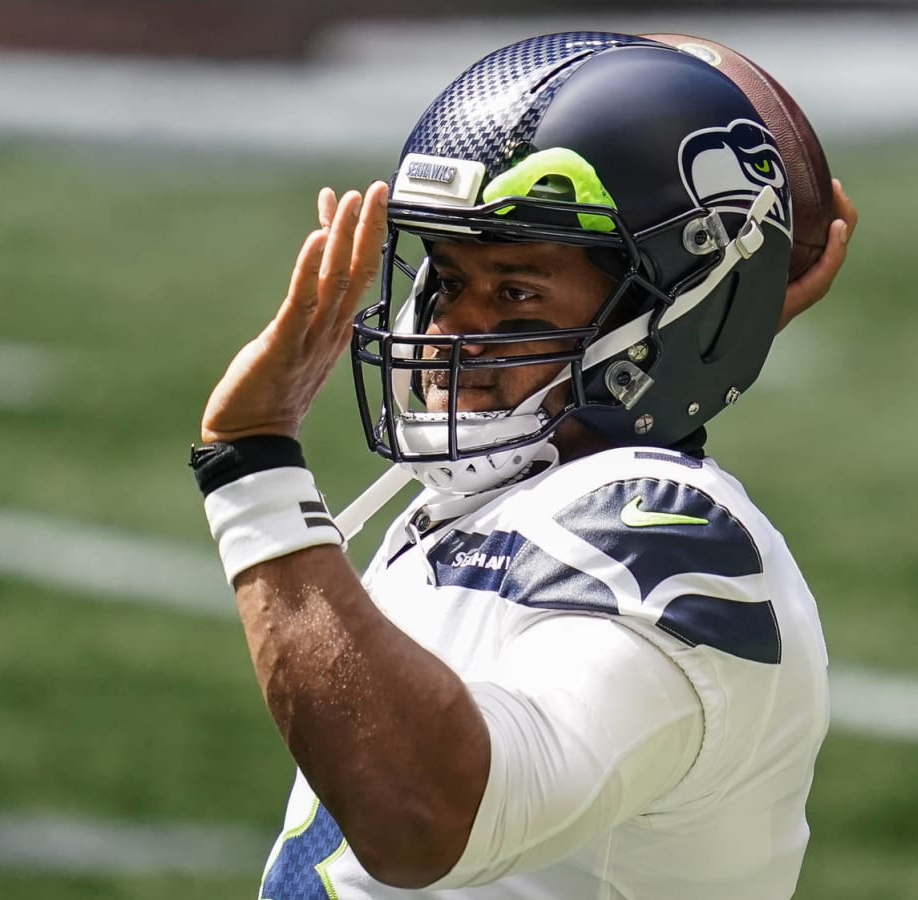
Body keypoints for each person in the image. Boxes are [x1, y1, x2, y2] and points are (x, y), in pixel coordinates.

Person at [191, 31, 858, 899]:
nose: (449, 332)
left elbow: (424, 819)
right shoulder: (489, 501)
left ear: (676, 309)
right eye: (446, 277)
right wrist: (697, 326)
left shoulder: (665, 535)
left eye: (515, 291)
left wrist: (257, 472)